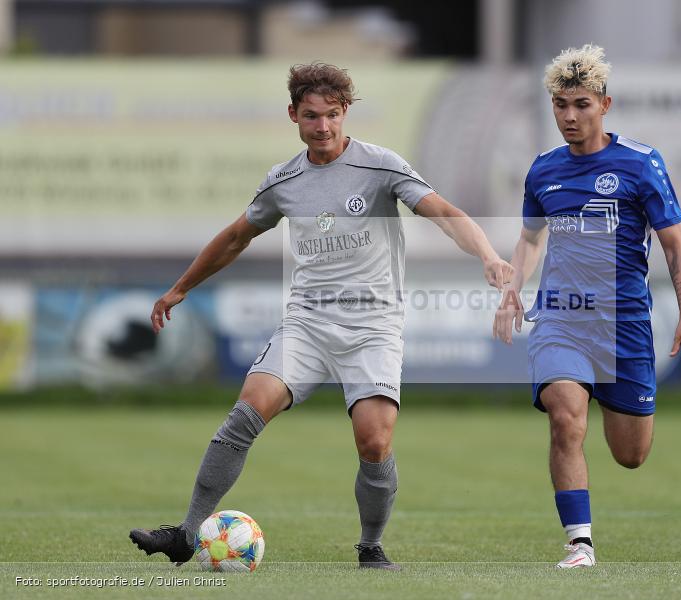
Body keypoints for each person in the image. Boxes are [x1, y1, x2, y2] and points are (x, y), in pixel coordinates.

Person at [130, 62, 513, 570]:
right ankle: (185, 534)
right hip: (307, 323)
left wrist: (487, 255)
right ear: (294, 115)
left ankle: (371, 546)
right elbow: (235, 237)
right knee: (247, 410)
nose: (324, 127)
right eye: (312, 116)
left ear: (345, 112)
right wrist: (180, 288)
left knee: (374, 441)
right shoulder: (284, 181)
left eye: (332, 115)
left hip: (373, 327)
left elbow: (444, 213)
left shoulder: (381, 166)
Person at [493, 45, 681, 569]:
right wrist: (513, 288)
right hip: (560, 320)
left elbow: (674, 245)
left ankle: (612, 403)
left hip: (624, 326)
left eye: (581, 104)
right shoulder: (543, 170)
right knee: (566, 417)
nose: (569, 116)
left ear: (604, 104)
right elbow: (529, 240)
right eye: (560, 105)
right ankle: (580, 544)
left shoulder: (640, 163)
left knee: (630, 454)